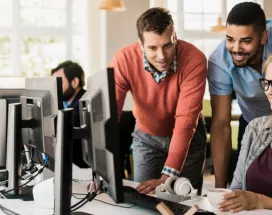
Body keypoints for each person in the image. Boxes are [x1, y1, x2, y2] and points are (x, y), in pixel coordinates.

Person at [110, 7, 207, 194]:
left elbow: (185, 121)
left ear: (175, 37)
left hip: (189, 139)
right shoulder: (124, 60)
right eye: (152, 48)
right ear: (140, 45)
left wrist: (166, 177)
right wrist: (99, 171)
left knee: (186, 201)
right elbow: (110, 114)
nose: (161, 56)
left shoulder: (195, 59)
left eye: (167, 45)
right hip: (147, 138)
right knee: (144, 199)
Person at [208, 2, 272, 188]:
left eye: (245, 41)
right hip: (253, 123)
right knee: (246, 184)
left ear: (263, 37)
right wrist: (220, 189)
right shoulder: (219, 61)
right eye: (230, 39)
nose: (236, 49)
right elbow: (221, 124)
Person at [218, 56, 272, 213]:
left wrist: (258, 201)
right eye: (267, 83)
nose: (269, 91)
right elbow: (236, 188)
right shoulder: (255, 128)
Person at [51, 60, 88, 168]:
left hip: (80, 167)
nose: (55, 88)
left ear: (74, 82)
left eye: (60, 83)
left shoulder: (83, 105)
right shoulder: (64, 104)